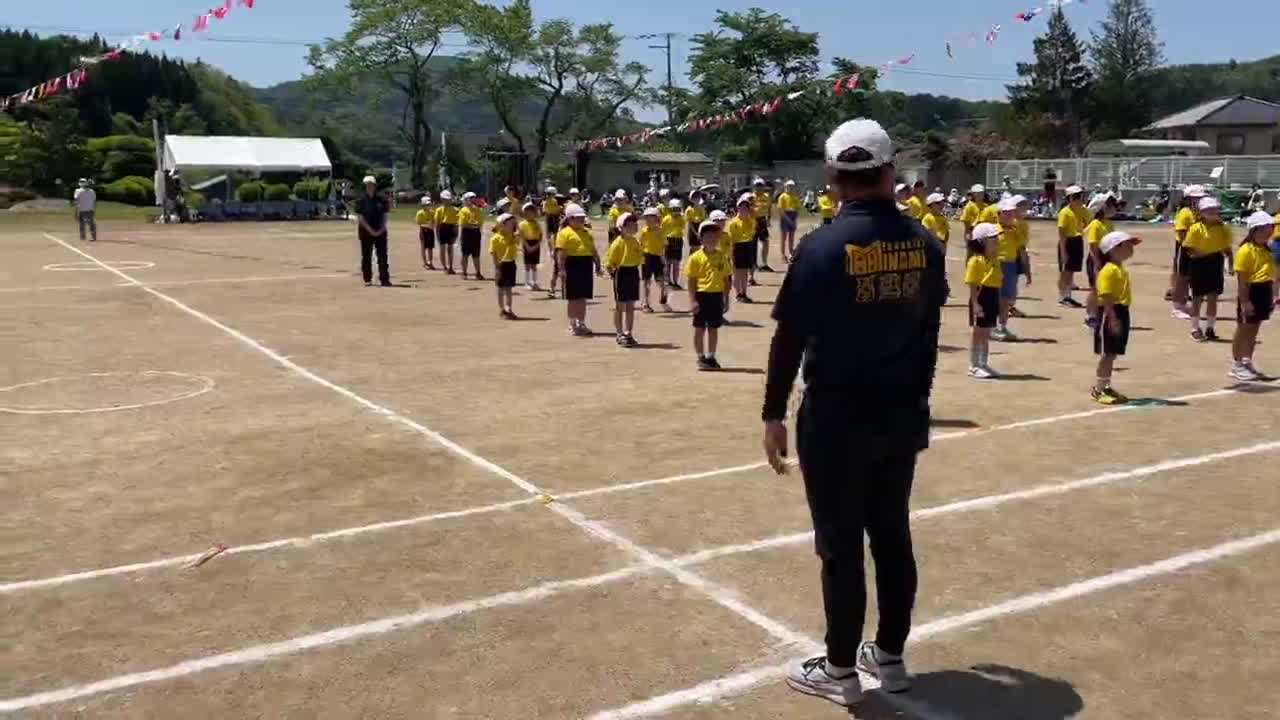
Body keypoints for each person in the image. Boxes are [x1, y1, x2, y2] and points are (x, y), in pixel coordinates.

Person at [764, 118, 946, 708]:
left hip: (837, 415)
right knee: (892, 535)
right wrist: (919, 401)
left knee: (840, 545)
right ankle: (888, 656)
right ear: (891, 172)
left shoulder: (820, 246)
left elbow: (788, 339)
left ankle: (840, 668)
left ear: (832, 177)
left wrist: (772, 414)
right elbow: (929, 333)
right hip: (901, 411)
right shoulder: (925, 243)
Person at [1092, 231, 1141, 404]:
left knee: (1112, 353)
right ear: (1114, 249)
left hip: (1121, 310)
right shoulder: (1109, 271)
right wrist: (1112, 318)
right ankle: (1098, 389)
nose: (1131, 249)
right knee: (1107, 353)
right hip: (1110, 312)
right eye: (1127, 245)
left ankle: (1106, 386)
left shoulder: (1119, 268)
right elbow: (1105, 297)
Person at [1231, 212, 1276, 380]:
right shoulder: (1245, 251)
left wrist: (1271, 298)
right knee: (1243, 330)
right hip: (1251, 291)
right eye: (1264, 228)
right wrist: (1245, 301)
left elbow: (1269, 275)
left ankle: (1247, 360)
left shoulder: (1266, 249)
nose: (1268, 231)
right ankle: (1236, 365)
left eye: (1269, 227)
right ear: (1253, 230)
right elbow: (1242, 281)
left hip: (1264, 290)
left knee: (1253, 330)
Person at [1182, 196, 1232, 342]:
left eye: (1214, 209)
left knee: (1213, 296)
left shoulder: (1222, 228)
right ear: (1201, 212)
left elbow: (1227, 247)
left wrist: (1230, 262)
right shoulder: (1196, 228)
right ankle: (1194, 327)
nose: (1212, 212)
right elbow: (1188, 248)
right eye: (1208, 210)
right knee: (1197, 297)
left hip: (1215, 261)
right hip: (1199, 262)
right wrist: (1201, 254)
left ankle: (1210, 327)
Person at [686, 220, 732, 370]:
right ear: (701, 238)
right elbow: (691, 281)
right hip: (701, 295)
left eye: (714, 235)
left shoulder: (721, 256)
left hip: (716, 295)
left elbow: (726, 278)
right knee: (700, 328)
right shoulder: (695, 257)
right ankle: (700, 357)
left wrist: (726, 298)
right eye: (707, 236)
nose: (711, 238)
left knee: (713, 328)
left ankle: (711, 356)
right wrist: (693, 301)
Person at [556, 203, 603, 336]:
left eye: (582, 218)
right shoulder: (564, 233)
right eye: (578, 218)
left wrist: (598, 264)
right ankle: (572, 324)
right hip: (572, 264)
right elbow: (561, 253)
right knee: (573, 297)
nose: (582, 220)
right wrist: (562, 269)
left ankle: (581, 322)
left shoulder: (587, 232)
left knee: (583, 297)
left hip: (586, 264)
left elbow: (593, 250)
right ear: (570, 219)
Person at [966, 223, 1003, 378]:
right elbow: (973, 284)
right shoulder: (976, 261)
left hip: (992, 295)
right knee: (978, 331)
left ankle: (983, 363)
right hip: (981, 296)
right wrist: (975, 304)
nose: (997, 240)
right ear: (981, 241)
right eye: (992, 238)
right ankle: (974, 365)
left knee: (986, 331)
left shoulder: (994, 259)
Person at [606, 212, 643, 346]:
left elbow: (639, 257)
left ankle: (628, 332)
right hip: (621, 273)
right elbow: (609, 263)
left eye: (635, 224)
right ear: (621, 227)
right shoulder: (617, 243)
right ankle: (619, 333)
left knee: (631, 305)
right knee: (620, 305)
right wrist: (613, 274)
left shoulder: (635, 241)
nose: (634, 227)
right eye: (630, 224)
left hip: (633, 272)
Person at [1169, 185, 1206, 318]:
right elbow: (1181, 232)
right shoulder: (1185, 212)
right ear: (1188, 199)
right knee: (1182, 278)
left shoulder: (1199, 212)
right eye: (1196, 198)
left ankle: (1183, 305)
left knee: (1190, 278)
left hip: (1197, 248)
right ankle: (1177, 307)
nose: (1199, 200)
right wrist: (1191, 247)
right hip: (1185, 248)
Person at [1083, 195, 1119, 329]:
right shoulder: (1095, 224)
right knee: (1095, 288)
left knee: (1106, 288)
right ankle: (1090, 315)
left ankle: (1101, 313)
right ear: (1102, 207)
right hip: (1096, 258)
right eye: (1111, 205)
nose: (1115, 208)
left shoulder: (1109, 223)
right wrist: (1097, 262)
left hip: (1108, 258)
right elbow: (1093, 245)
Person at [991, 197, 1023, 342]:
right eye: (1007, 213)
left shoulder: (1016, 230)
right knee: (994, 298)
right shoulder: (993, 230)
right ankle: (991, 327)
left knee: (1006, 299)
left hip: (1011, 266)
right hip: (996, 265)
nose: (1011, 216)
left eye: (1012, 213)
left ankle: (1002, 326)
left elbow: (1021, 246)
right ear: (999, 214)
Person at [354, 175, 391, 287]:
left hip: (380, 230)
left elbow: (385, 216)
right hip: (365, 231)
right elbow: (360, 218)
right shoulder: (360, 200)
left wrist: (381, 228)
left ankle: (384, 278)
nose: (370, 187)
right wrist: (370, 231)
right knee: (366, 255)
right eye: (368, 185)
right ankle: (367, 278)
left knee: (382, 255)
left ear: (375, 186)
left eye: (372, 185)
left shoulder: (381, 199)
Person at [1055, 185, 1088, 308]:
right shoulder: (1065, 212)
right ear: (1070, 198)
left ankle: (1068, 296)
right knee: (1065, 271)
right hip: (1068, 242)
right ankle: (1063, 297)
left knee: (1071, 271)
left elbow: (1089, 221)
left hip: (1077, 240)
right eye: (1077, 197)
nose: (1081, 199)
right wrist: (1063, 251)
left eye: (1081, 196)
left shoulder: (1082, 210)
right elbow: (1061, 233)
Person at [727, 193, 757, 303]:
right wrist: (730, 252)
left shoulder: (751, 221)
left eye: (746, 207)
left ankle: (744, 292)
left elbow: (751, 234)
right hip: (737, 247)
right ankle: (738, 293)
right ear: (737, 208)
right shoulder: (733, 222)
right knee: (737, 272)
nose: (744, 209)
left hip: (747, 245)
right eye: (741, 206)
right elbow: (730, 238)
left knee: (744, 272)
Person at [490, 213, 520, 319]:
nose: (512, 226)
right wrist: (497, 267)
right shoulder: (495, 238)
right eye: (509, 224)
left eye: (513, 224)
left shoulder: (512, 236)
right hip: (501, 265)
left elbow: (519, 235)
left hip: (511, 263)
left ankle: (509, 308)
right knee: (500, 289)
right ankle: (501, 309)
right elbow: (493, 253)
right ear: (502, 225)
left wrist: (517, 225)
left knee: (509, 289)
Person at [638, 207, 668, 313]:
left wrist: (663, 259)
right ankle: (646, 303)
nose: (649, 222)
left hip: (658, 257)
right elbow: (640, 245)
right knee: (647, 281)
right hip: (647, 257)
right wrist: (640, 257)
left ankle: (664, 297)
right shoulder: (643, 231)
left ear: (657, 220)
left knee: (660, 281)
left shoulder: (661, 231)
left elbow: (664, 246)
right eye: (647, 219)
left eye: (652, 219)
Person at [458, 192, 486, 280]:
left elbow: (480, 223)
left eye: (473, 198)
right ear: (466, 200)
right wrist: (474, 225)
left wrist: (476, 226)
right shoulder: (463, 210)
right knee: (465, 254)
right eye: (470, 198)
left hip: (476, 233)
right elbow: (463, 224)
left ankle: (478, 273)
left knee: (476, 255)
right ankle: (464, 272)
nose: (472, 200)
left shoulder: (477, 210)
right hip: (467, 233)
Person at [662, 198, 686, 292]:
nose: (676, 211)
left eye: (678, 209)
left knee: (676, 263)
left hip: (678, 240)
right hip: (669, 240)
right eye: (674, 209)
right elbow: (663, 231)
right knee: (668, 262)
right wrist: (664, 242)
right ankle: (668, 281)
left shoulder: (681, 218)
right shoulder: (666, 219)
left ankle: (675, 281)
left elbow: (682, 228)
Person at [518, 202, 544, 289]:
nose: (530, 214)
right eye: (527, 212)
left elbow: (540, 235)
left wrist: (537, 245)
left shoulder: (537, 223)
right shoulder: (522, 224)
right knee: (527, 264)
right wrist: (527, 246)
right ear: (524, 213)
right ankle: (527, 282)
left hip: (535, 243)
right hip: (527, 244)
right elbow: (521, 236)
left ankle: (535, 282)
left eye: (532, 212)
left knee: (534, 265)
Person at [752, 177, 774, 275]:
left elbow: (769, 209)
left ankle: (764, 263)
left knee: (765, 242)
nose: (759, 188)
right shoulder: (751, 197)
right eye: (757, 186)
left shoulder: (766, 196)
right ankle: (754, 264)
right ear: (754, 186)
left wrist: (768, 219)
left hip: (762, 220)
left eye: (760, 186)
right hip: (752, 221)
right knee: (753, 243)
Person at [435, 190, 459, 275]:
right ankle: (444, 266)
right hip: (443, 228)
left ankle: (450, 266)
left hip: (451, 228)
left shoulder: (455, 210)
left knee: (450, 248)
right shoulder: (439, 210)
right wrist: (437, 234)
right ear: (442, 199)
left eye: (448, 199)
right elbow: (437, 224)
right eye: (445, 199)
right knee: (442, 248)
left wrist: (456, 233)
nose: (447, 201)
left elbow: (457, 223)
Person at [776, 180, 801, 262]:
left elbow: (797, 208)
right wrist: (787, 219)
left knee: (791, 237)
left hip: (792, 215)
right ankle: (783, 255)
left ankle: (791, 253)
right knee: (783, 238)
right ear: (785, 187)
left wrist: (794, 219)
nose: (790, 188)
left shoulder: (795, 197)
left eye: (792, 186)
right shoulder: (782, 196)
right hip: (785, 215)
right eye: (789, 186)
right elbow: (780, 209)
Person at [416, 195, 437, 270]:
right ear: (423, 205)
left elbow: (434, 221)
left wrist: (433, 225)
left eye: (429, 204)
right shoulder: (420, 213)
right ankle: (425, 262)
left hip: (430, 231)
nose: (429, 206)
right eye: (427, 205)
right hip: (423, 231)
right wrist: (427, 225)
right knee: (423, 247)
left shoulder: (432, 212)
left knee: (430, 247)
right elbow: (418, 223)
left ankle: (430, 262)